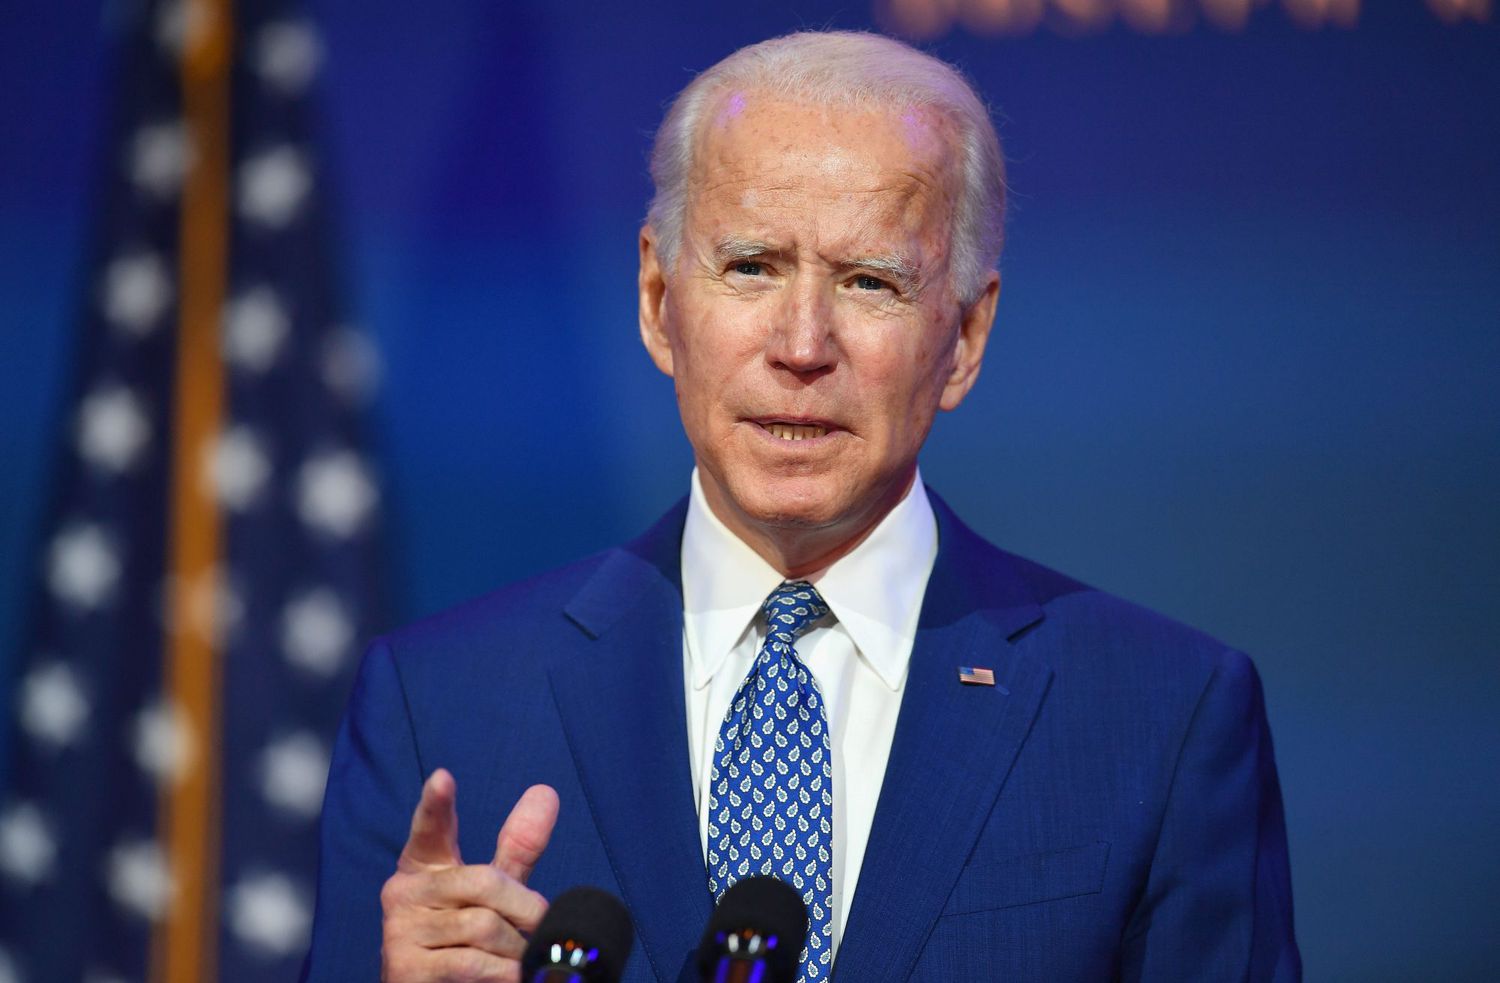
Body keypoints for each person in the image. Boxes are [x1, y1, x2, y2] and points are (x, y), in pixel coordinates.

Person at [302, 30, 1299, 983]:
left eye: (870, 282)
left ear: (963, 337)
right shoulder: (438, 707)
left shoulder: (1159, 719)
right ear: (658, 299)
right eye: (751, 267)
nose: (803, 344)